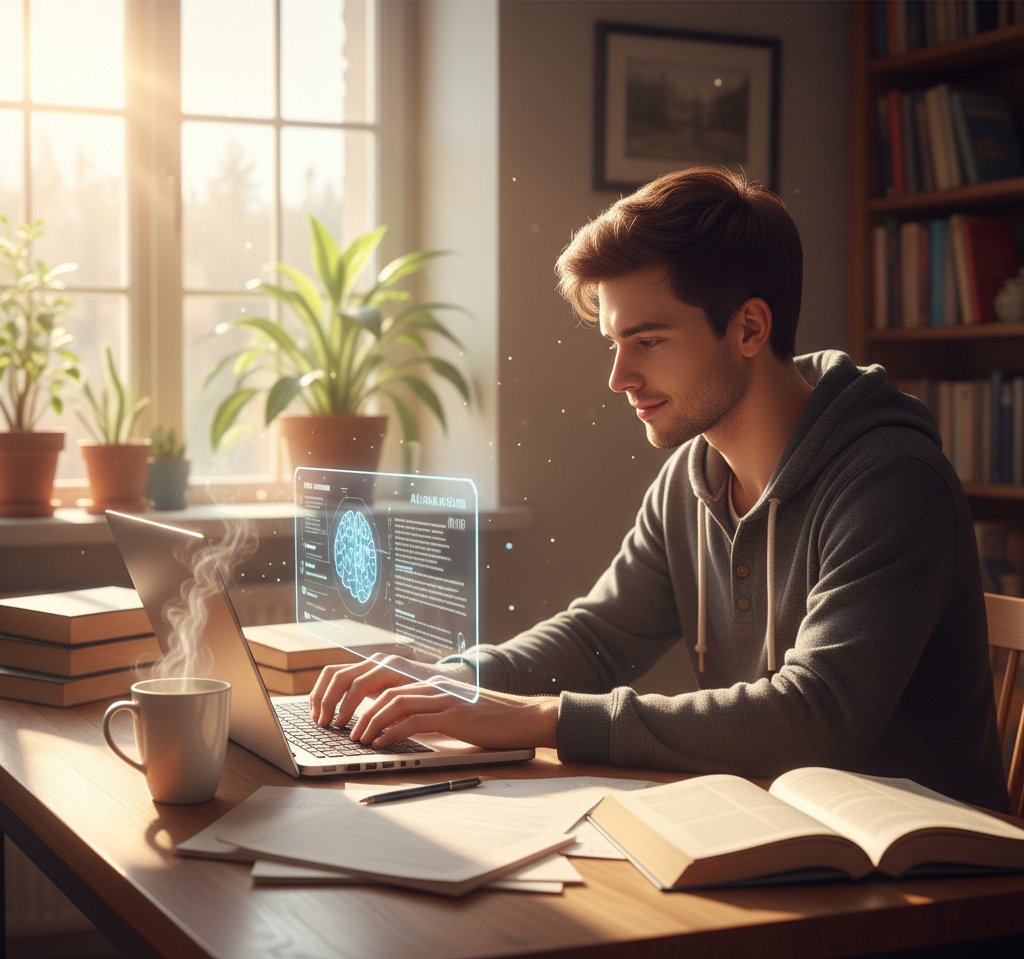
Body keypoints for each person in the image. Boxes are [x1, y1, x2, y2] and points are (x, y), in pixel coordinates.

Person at [310, 166, 1008, 813]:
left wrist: (540, 720)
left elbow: (817, 715)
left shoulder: (890, 480)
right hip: (773, 828)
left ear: (749, 327)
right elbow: (598, 638)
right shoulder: (693, 476)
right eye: (614, 343)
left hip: (925, 873)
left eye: (647, 341)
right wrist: (451, 679)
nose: (619, 378)